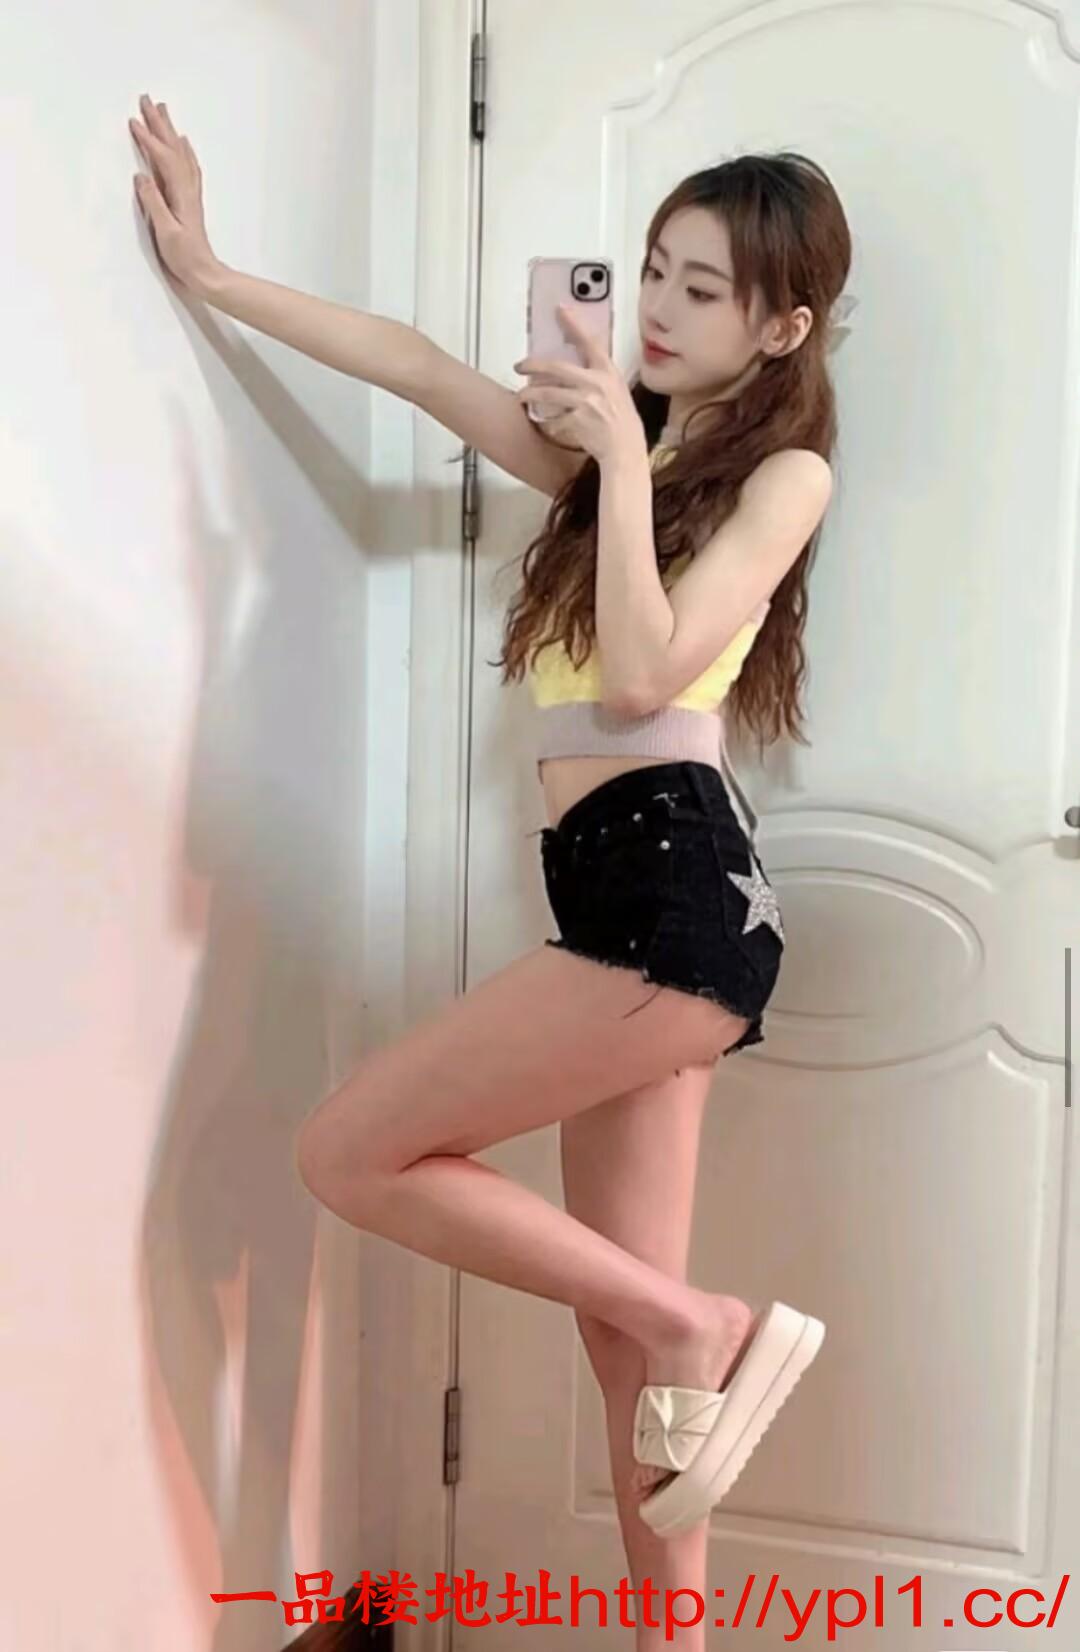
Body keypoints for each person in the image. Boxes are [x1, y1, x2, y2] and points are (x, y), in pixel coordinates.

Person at [130, 93, 850, 1645]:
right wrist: (212, 273)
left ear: (783, 328)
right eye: (651, 271)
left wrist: (624, 465)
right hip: (621, 892)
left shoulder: (783, 478)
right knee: (622, 1344)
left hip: (675, 896)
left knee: (350, 1154)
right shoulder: (616, 459)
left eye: (703, 289)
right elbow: (419, 366)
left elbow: (647, 676)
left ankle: (703, 1322)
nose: (657, 309)